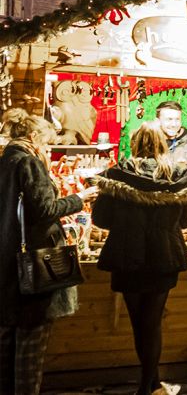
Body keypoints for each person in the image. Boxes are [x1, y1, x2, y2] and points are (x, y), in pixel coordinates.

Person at [92, 123, 187, 395]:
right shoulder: (179, 177)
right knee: (151, 320)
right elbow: (186, 222)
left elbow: (101, 219)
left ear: (135, 143)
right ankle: (150, 383)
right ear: (163, 143)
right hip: (164, 255)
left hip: (128, 254)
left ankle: (148, 384)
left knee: (139, 320)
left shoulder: (118, 175)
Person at [0, 115, 96, 395]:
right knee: (31, 343)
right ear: (33, 137)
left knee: (6, 342)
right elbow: (44, 210)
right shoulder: (28, 162)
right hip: (32, 263)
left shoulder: (4, 160)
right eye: (48, 143)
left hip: (6, 262)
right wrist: (81, 198)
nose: (49, 150)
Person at [155, 101, 187, 171]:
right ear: (158, 121)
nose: (174, 124)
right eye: (169, 119)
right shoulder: (149, 143)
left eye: (177, 119)